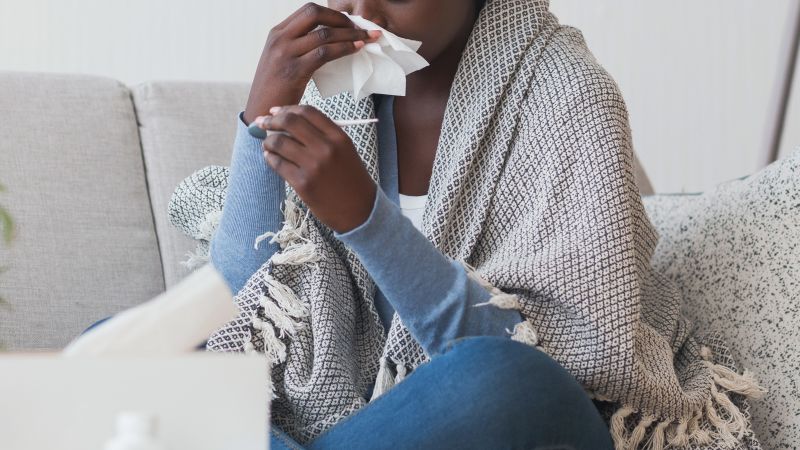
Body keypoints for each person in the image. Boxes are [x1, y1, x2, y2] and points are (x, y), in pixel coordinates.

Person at [208, 1, 614, 448]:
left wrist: (367, 220)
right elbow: (242, 304)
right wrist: (262, 110)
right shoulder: (337, 87)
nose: (363, 12)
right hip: (370, 429)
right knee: (129, 350)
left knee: (498, 380)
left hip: (501, 409)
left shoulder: (571, 98)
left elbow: (567, 367)